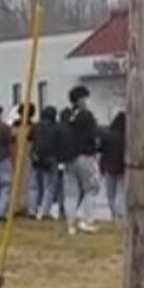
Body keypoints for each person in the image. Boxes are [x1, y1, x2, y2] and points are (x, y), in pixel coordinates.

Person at [60, 86, 102, 235]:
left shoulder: (65, 115)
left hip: (68, 158)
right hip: (85, 155)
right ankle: (87, 220)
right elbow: (93, 135)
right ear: (80, 99)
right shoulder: (86, 116)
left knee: (71, 193)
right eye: (85, 98)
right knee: (92, 187)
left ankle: (70, 224)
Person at [30, 106, 62, 219]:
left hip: (35, 157)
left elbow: (29, 137)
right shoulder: (56, 127)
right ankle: (45, 212)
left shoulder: (36, 126)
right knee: (50, 186)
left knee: (33, 186)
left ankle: (32, 210)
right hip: (50, 158)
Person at [99, 112, 127, 221]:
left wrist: (101, 167)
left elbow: (101, 151)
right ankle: (119, 212)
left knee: (110, 192)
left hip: (109, 166)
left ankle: (113, 213)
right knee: (121, 191)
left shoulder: (107, 135)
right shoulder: (127, 137)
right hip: (123, 167)